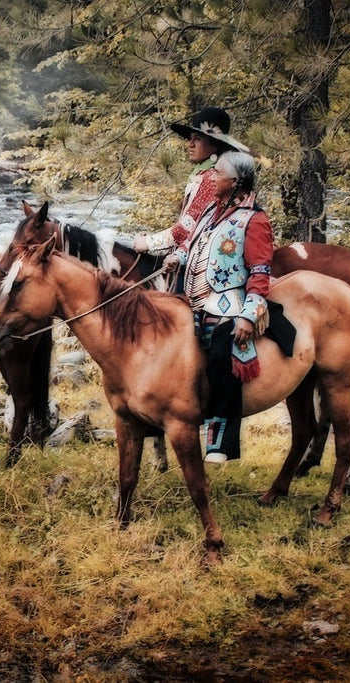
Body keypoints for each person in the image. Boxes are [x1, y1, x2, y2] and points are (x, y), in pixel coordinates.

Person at [162, 151, 275, 464]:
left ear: (235, 181)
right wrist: (177, 257)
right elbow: (191, 244)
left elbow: (260, 271)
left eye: (218, 173)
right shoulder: (210, 210)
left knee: (222, 350)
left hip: (228, 305)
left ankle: (219, 442)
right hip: (191, 299)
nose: (211, 177)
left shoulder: (255, 219)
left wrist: (249, 316)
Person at [132, 107, 251, 257]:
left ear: (215, 145)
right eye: (191, 138)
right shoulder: (210, 173)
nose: (190, 144)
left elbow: (188, 227)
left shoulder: (211, 177)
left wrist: (149, 242)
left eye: (198, 139)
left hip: (207, 256)